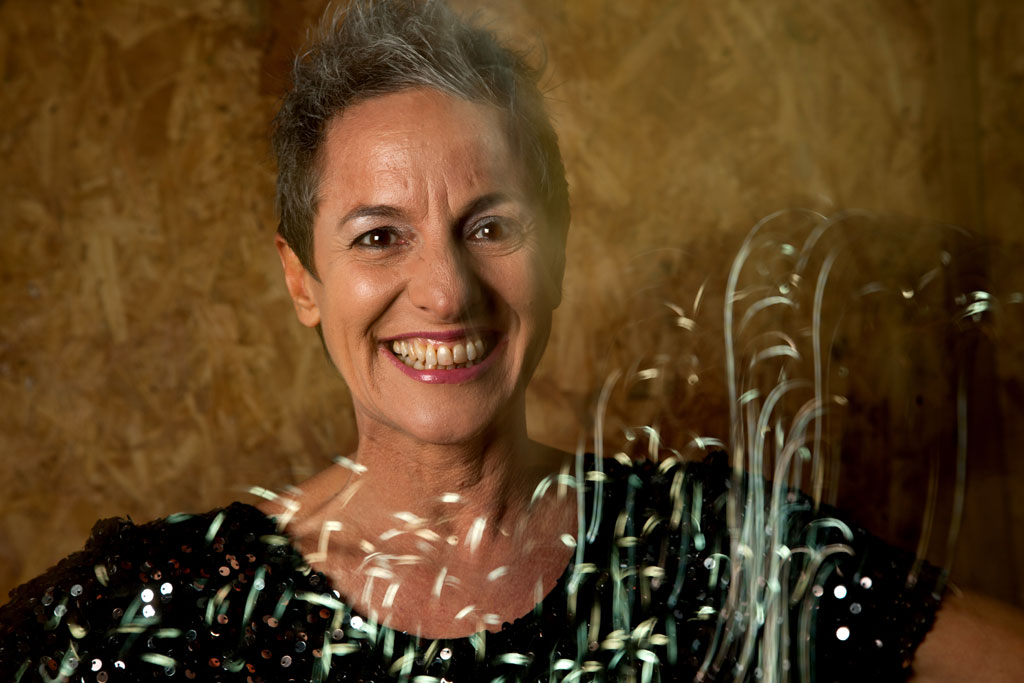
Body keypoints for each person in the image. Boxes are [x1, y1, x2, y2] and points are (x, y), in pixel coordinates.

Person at [1, 1, 1022, 681]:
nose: (446, 288)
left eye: (491, 226)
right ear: (302, 279)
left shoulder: (710, 553)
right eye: (378, 236)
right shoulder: (167, 607)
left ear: (558, 252)